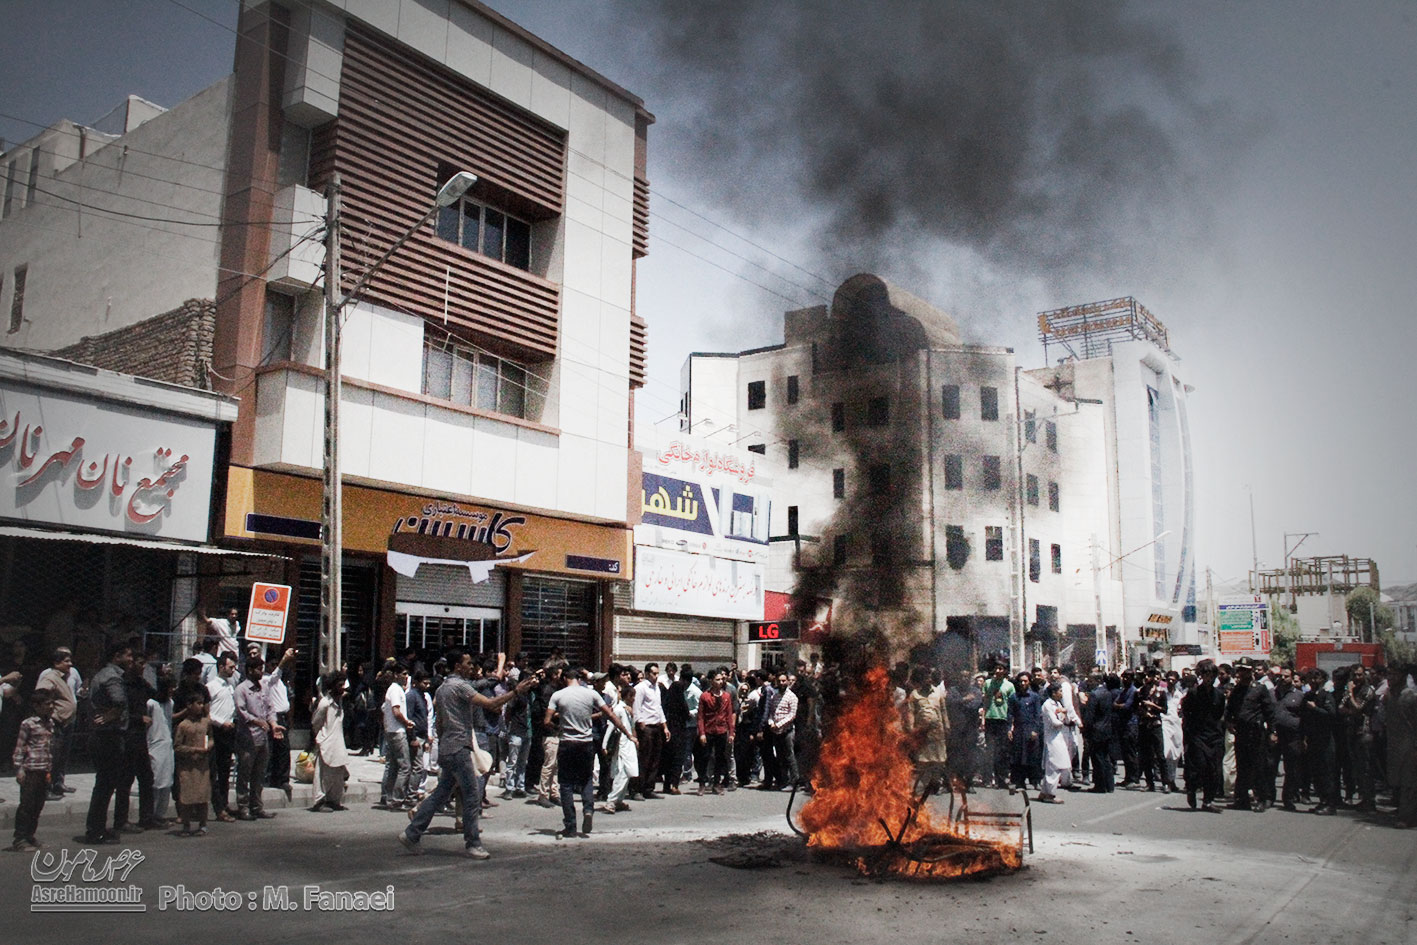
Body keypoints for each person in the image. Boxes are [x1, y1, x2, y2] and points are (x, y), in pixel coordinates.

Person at [401, 650, 536, 859]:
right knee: (472, 795)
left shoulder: (443, 688)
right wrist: (516, 691)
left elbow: (439, 721)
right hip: (458, 747)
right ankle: (472, 842)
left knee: (441, 793)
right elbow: (491, 704)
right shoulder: (460, 686)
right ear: (457, 666)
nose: (471, 667)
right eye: (467, 663)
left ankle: (412, 833)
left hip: (449, 746)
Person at [546, 667, 635, 838]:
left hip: (567, 743)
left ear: (565, 678)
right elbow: (609, 714)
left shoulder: (558, 695)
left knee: (565, 783)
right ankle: (588, 810)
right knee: (586, 779)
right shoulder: (591, 694)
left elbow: (547, 720)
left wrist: (559, 728)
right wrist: (627, 732)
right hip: (586, 743)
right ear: (579, 679)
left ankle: (570, 826)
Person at [84, 642, 134, 844]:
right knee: (105, 786)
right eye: (128, 655)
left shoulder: (102, 674)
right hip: (109, 737)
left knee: (103, 785)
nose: (130, 659)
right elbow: (119, 702)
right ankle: (96, 831)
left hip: (103, 736)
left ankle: (96, 828)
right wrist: (110, 716)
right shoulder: (112, 677)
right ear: (117, 656)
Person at [233, 655, 282, 820]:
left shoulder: (263, 688)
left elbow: (270, 708)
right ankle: (243, 806)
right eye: (259, 669)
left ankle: (257, 806)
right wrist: (256, 721)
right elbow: (241, 711)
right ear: (250, 670)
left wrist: (273, 725)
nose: (261, 672)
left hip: (263, 737)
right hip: (248, 738)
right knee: (245, 773)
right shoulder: (241, 689)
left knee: (259, 774)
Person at [1226, 659, 1275, 810]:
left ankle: (1262, 798)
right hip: (1241, 733)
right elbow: (1230, 709)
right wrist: (1229, 723)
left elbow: (1269, 711)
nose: (1243, 673)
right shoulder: (1237, 690)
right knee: (1242, 767)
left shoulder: (1259, 689)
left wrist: (1273, 731)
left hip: (1256, 733)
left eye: (1246, 670)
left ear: (1251, 671)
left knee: (1259, 767)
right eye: (1241, 670)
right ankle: (1241, 800)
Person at [11, 690, 56, 851]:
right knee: (27, 806)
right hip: (31, 770)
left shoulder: (50, 723)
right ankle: (20, 838)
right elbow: (20, 747)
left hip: (44, 770)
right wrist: (19, 770)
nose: (50, 707)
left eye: (51, 703)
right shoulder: (28, 724)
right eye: (46, 704)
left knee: (38, 805)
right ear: (36, 706)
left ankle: (30, 835)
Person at [33, 647, 79, 798]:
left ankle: (57, 784)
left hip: (66, 723)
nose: (70, 664)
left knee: (61, 756)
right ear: (56, 662)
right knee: (51, 757)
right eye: (66, 661)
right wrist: (51, 713)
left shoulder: (63, 677)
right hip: (56, 723)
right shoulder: (50, 677)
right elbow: (41, 695)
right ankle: (45, 789)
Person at [1182, 659, 1226, 812]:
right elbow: (1186, 713)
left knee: (1213, 769)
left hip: (1213, 736)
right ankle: (1192, 789)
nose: (1209, 678)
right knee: (1199, 766)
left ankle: (1208, 800)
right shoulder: (1193, 693)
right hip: (1197, 736)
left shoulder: (1219, 695)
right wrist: (1189, 736)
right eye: (1206, 675)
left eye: (1211, 675)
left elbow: (1219, 714)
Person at [903, 665, 950, 794]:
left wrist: (947, 725)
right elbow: (911, 713)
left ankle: (936, 783)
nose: (928, 680)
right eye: (926, 678)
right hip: (922, 734)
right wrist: (912, 729)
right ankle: (926, 785)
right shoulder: (914, 695)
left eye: (930, 677)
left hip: (937, 733)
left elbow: (943, 710)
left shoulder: (938, 693)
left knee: (939, 760)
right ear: (921, 680)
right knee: (923, 761)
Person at [1300, 667, 1340, 815]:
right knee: (1316, 772)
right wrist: (1303, 737)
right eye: (1311, 678)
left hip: (1325, 739)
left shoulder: (1326, 696)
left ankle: (1330, 803)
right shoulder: (1308, 695)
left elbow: (1331, 715)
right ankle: (1322, 800)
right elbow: (1303, 719)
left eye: (1316, 678)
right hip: (1312, 739)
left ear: (1322, 680)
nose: (1313, 681)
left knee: (1327, 772)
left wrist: (1315, 708)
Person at [206, 652, 240, 823]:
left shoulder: (229, 686)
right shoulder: (211, 686)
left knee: (225, 770)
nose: (233, 670)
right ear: (221, 667)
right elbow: (207, 713)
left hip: (229, 732)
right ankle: (217, 807)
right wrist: (221, 723)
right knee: (215, 771)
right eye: (230, 667)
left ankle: (224, 804)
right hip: (216, 731)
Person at [309, 672, 351, 812]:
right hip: (326, 741)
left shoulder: (339, 702)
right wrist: (320, 738)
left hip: (338, 742)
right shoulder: (325, 703)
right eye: (339, 685)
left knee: (337, 775)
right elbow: (316, 722)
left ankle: (334, 800)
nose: (342, 688)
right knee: (322, 775)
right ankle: (319, 802)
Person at [1383, 663, 1417, 828]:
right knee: (1398, 781)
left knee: (1408, 782)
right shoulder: (1390, 695)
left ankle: (1406, 817)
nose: (1390, 678)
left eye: (1394, 674)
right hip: (1394, 745)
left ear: (1403, 676)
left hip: (1409, 746)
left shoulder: (1410, 696)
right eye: (1389, 674)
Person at [174, 690, 212, 837]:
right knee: (187, 797)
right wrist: (194, 750)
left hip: (203, 765)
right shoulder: (183, 725)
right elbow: (177, 746)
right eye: (198, 703)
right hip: (187, 766)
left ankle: (203, 824)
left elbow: (210, 737)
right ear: (189, 705)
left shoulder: (206, 723)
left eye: (203, 703)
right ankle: (186, 825)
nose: (201, 706)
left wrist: (209, 746)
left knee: (203, 795)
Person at [378, 662, 415, 810]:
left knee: (393, 766)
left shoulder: (396, 690)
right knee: (405, 766)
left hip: (392, 731)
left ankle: (389, 796)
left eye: (407, 674)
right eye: (403, 674)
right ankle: (397, 799)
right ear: (396, 675)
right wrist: (406, 722)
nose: (406, 677)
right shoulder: (395, 690)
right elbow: (396, 711)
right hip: (397, 732)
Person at [631, 663, 669, 800]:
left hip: (656, 726)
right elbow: (636, 707)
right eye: (654, 673)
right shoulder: (640, 688)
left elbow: (658, 708)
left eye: (658, 673)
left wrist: (664, 726)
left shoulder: (656, 688)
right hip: (645, 727)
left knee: (655, 758)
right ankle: (637, 789)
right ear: (647, 674)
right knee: (644, 759)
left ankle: (649, 788)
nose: (656, 676)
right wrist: (639, 724)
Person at [599, 682, 639, 813]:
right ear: (627, 696)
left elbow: (631, 727)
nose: (634, 699)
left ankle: (619, 800)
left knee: (628, 773)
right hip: (621, 746)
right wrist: (604, 744)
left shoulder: (627, 710)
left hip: (628, 745)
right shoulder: (619, 709)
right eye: (632, 696)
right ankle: (611, 801)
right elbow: (611, 727)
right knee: (622, 773)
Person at [696, 669, 736, 795]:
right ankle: (702, 783)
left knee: (721, 757)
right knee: (705, 757)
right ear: (711, 681)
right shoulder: (705, 696)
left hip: (721, 730)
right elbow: (701, 716)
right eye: (717, 679)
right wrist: (701, 733)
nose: (720, 682)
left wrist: (731, 733)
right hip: (708, 730)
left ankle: (717, 783)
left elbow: (729, 715)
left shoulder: (726, 696)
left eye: (721, 679)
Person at [1008, 671, 1043, 793]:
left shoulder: (1034, 697)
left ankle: (1035, 781)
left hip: (1031, 729)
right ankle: (1020, 782)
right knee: (1019, 757)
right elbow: (1010, 714)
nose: (1023, 683)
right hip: (1019, 729)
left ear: (1029, 682)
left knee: (1033, 756)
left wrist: (1035, 730)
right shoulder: (1013, 697)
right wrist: (1009, 729)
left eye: (1025, 681)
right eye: (1021, 681)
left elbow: (1038, 715)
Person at [981, 663, 1015, 789]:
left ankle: (1001, 779)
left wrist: (1012, 724)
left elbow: (1012, 705)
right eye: (996, 668)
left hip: (1003, 720)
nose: (998, 670)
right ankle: (987, 779)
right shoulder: (988, 683)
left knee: (1002, 751)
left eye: (1001, 668)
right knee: (989, 750)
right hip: (990, 719)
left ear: (1005, 670)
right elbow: (985, 702)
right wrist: (983, 719)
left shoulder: (1009, 686)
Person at [1039, 682, 1073, 803]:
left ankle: (1044, 792)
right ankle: (1050, 794)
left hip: (1058, 737)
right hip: (1052, 739)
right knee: (1054, 767)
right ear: (1054, 693)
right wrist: (1062, 716)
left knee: (1058, 765)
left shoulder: (1057, 703)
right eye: (1060, 691)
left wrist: (1063, 713)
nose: (1061, 694)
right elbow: (1055, 722)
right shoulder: (1047, 705)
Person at [1085, 674, 1117, 793]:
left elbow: (1089, 716)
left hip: (1096, 730)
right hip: (1107, 729)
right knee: (1106, 758)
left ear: (1097, 680)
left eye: (1091, 680)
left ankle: (1100, 785)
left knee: (1097, 758)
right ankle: (1109, 785)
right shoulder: (1107, 693)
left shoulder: (1094, 694)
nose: (1089, 682)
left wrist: (1086, 729)